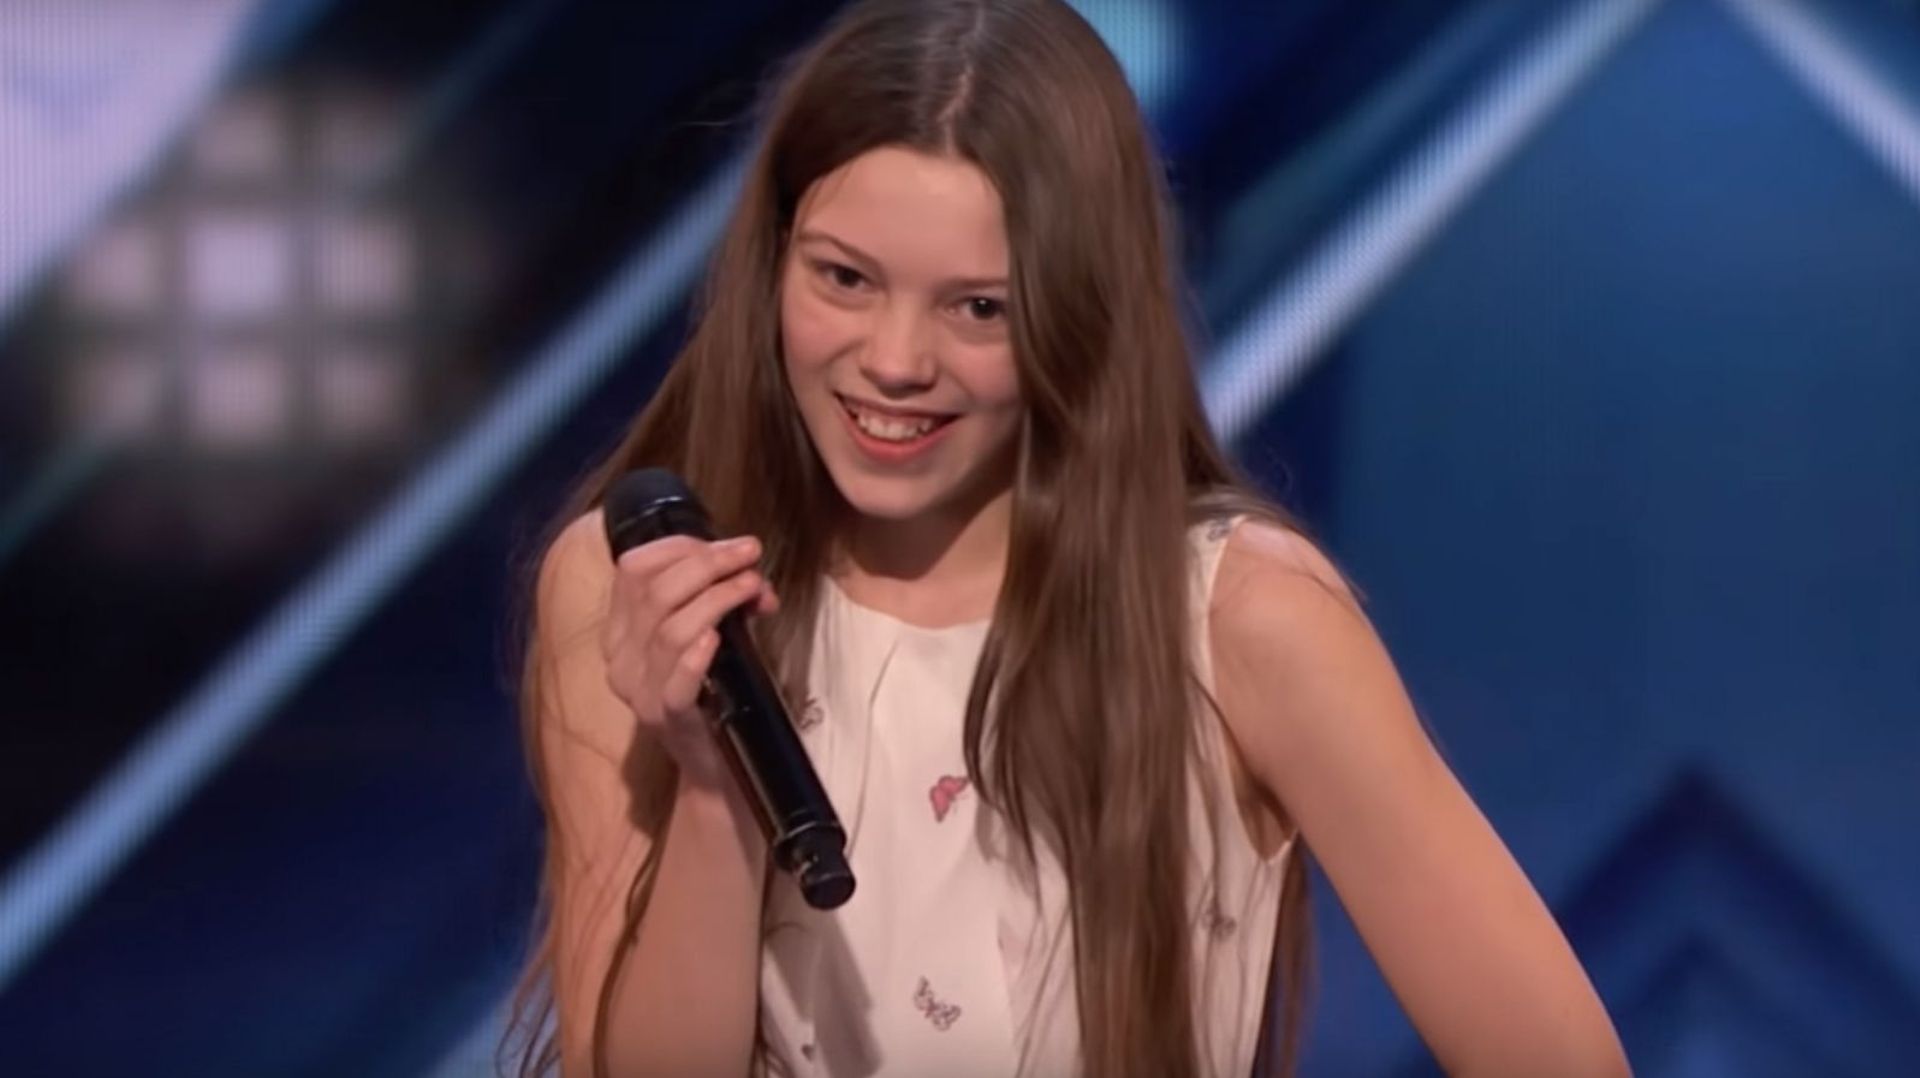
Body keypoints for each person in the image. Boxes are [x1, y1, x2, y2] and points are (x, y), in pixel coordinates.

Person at [505, 1, 1629, 1075]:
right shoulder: (633, 591)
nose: (894, 360)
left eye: (978, 308)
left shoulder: (1240, 622)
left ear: (1079, 311)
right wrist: (713, 784)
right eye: (844, 278)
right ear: (774, 261)